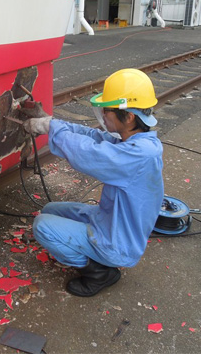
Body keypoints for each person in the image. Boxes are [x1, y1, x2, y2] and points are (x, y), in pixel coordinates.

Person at [22, 69, 164, 297]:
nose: (103, 116)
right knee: (49, 210)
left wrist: (51, 129)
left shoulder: (138, 155)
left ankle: (100, 273)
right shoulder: (137, 140)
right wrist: (52, 122)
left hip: (118, 243)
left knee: (42, 226)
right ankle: (95, 256)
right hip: (110, 221)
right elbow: (93, 137)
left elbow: (89, 153)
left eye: (106, 111)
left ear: (128, 117)